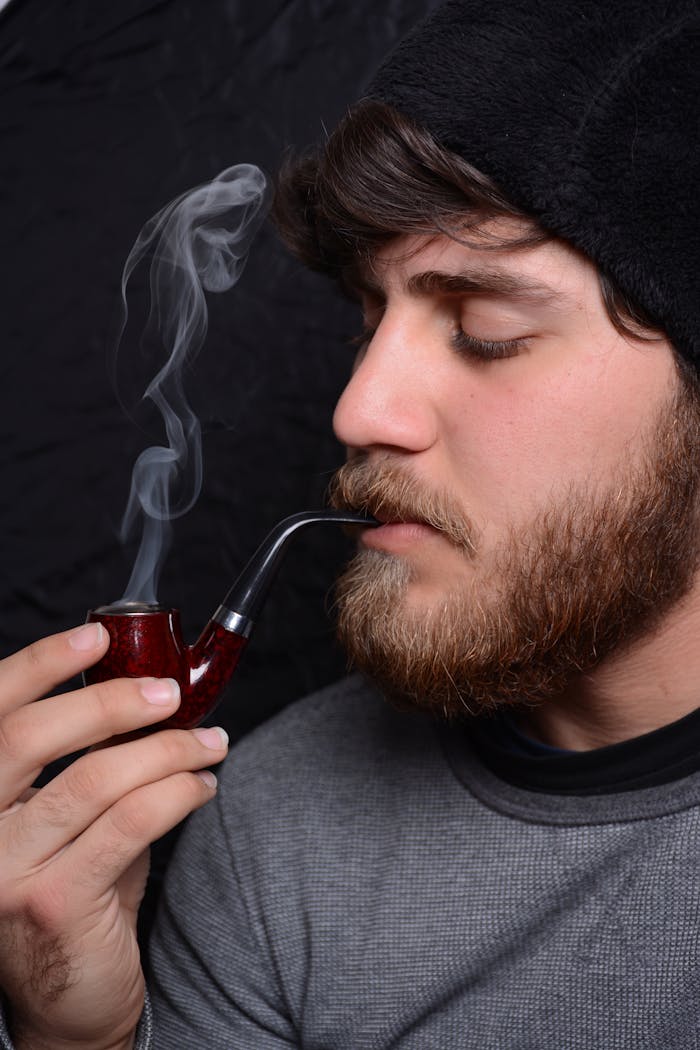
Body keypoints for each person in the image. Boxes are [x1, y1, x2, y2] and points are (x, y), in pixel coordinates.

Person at [1, 0, 699, 1046]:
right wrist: (76, 1041)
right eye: (370, 322)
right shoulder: (278, 827)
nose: (358, 411)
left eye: (483, 328)